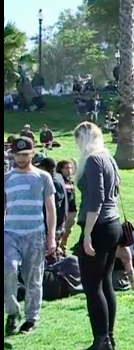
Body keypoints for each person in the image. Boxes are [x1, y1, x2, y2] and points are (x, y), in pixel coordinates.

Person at [73, 122, 124, 350]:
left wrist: (87, 234)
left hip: (99, 225)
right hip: (113, 223)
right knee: (105, 282)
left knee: (92, 286)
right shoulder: (109, 158)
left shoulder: (93, 160)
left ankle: (100, 340)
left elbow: (96, 199)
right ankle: (108, 337)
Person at [4, 137, 57, 335]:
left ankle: (31, 318)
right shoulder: (6, 178)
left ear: (32, 154)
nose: (21, 158)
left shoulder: (43, 177)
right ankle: (12, 311)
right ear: (13, 155)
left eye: (25, 154)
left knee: (33, 278)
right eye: (18, 155)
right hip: (10, 232)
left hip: (35, 233)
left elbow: (50, 210)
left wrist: (51, 237)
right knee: (7, 268)